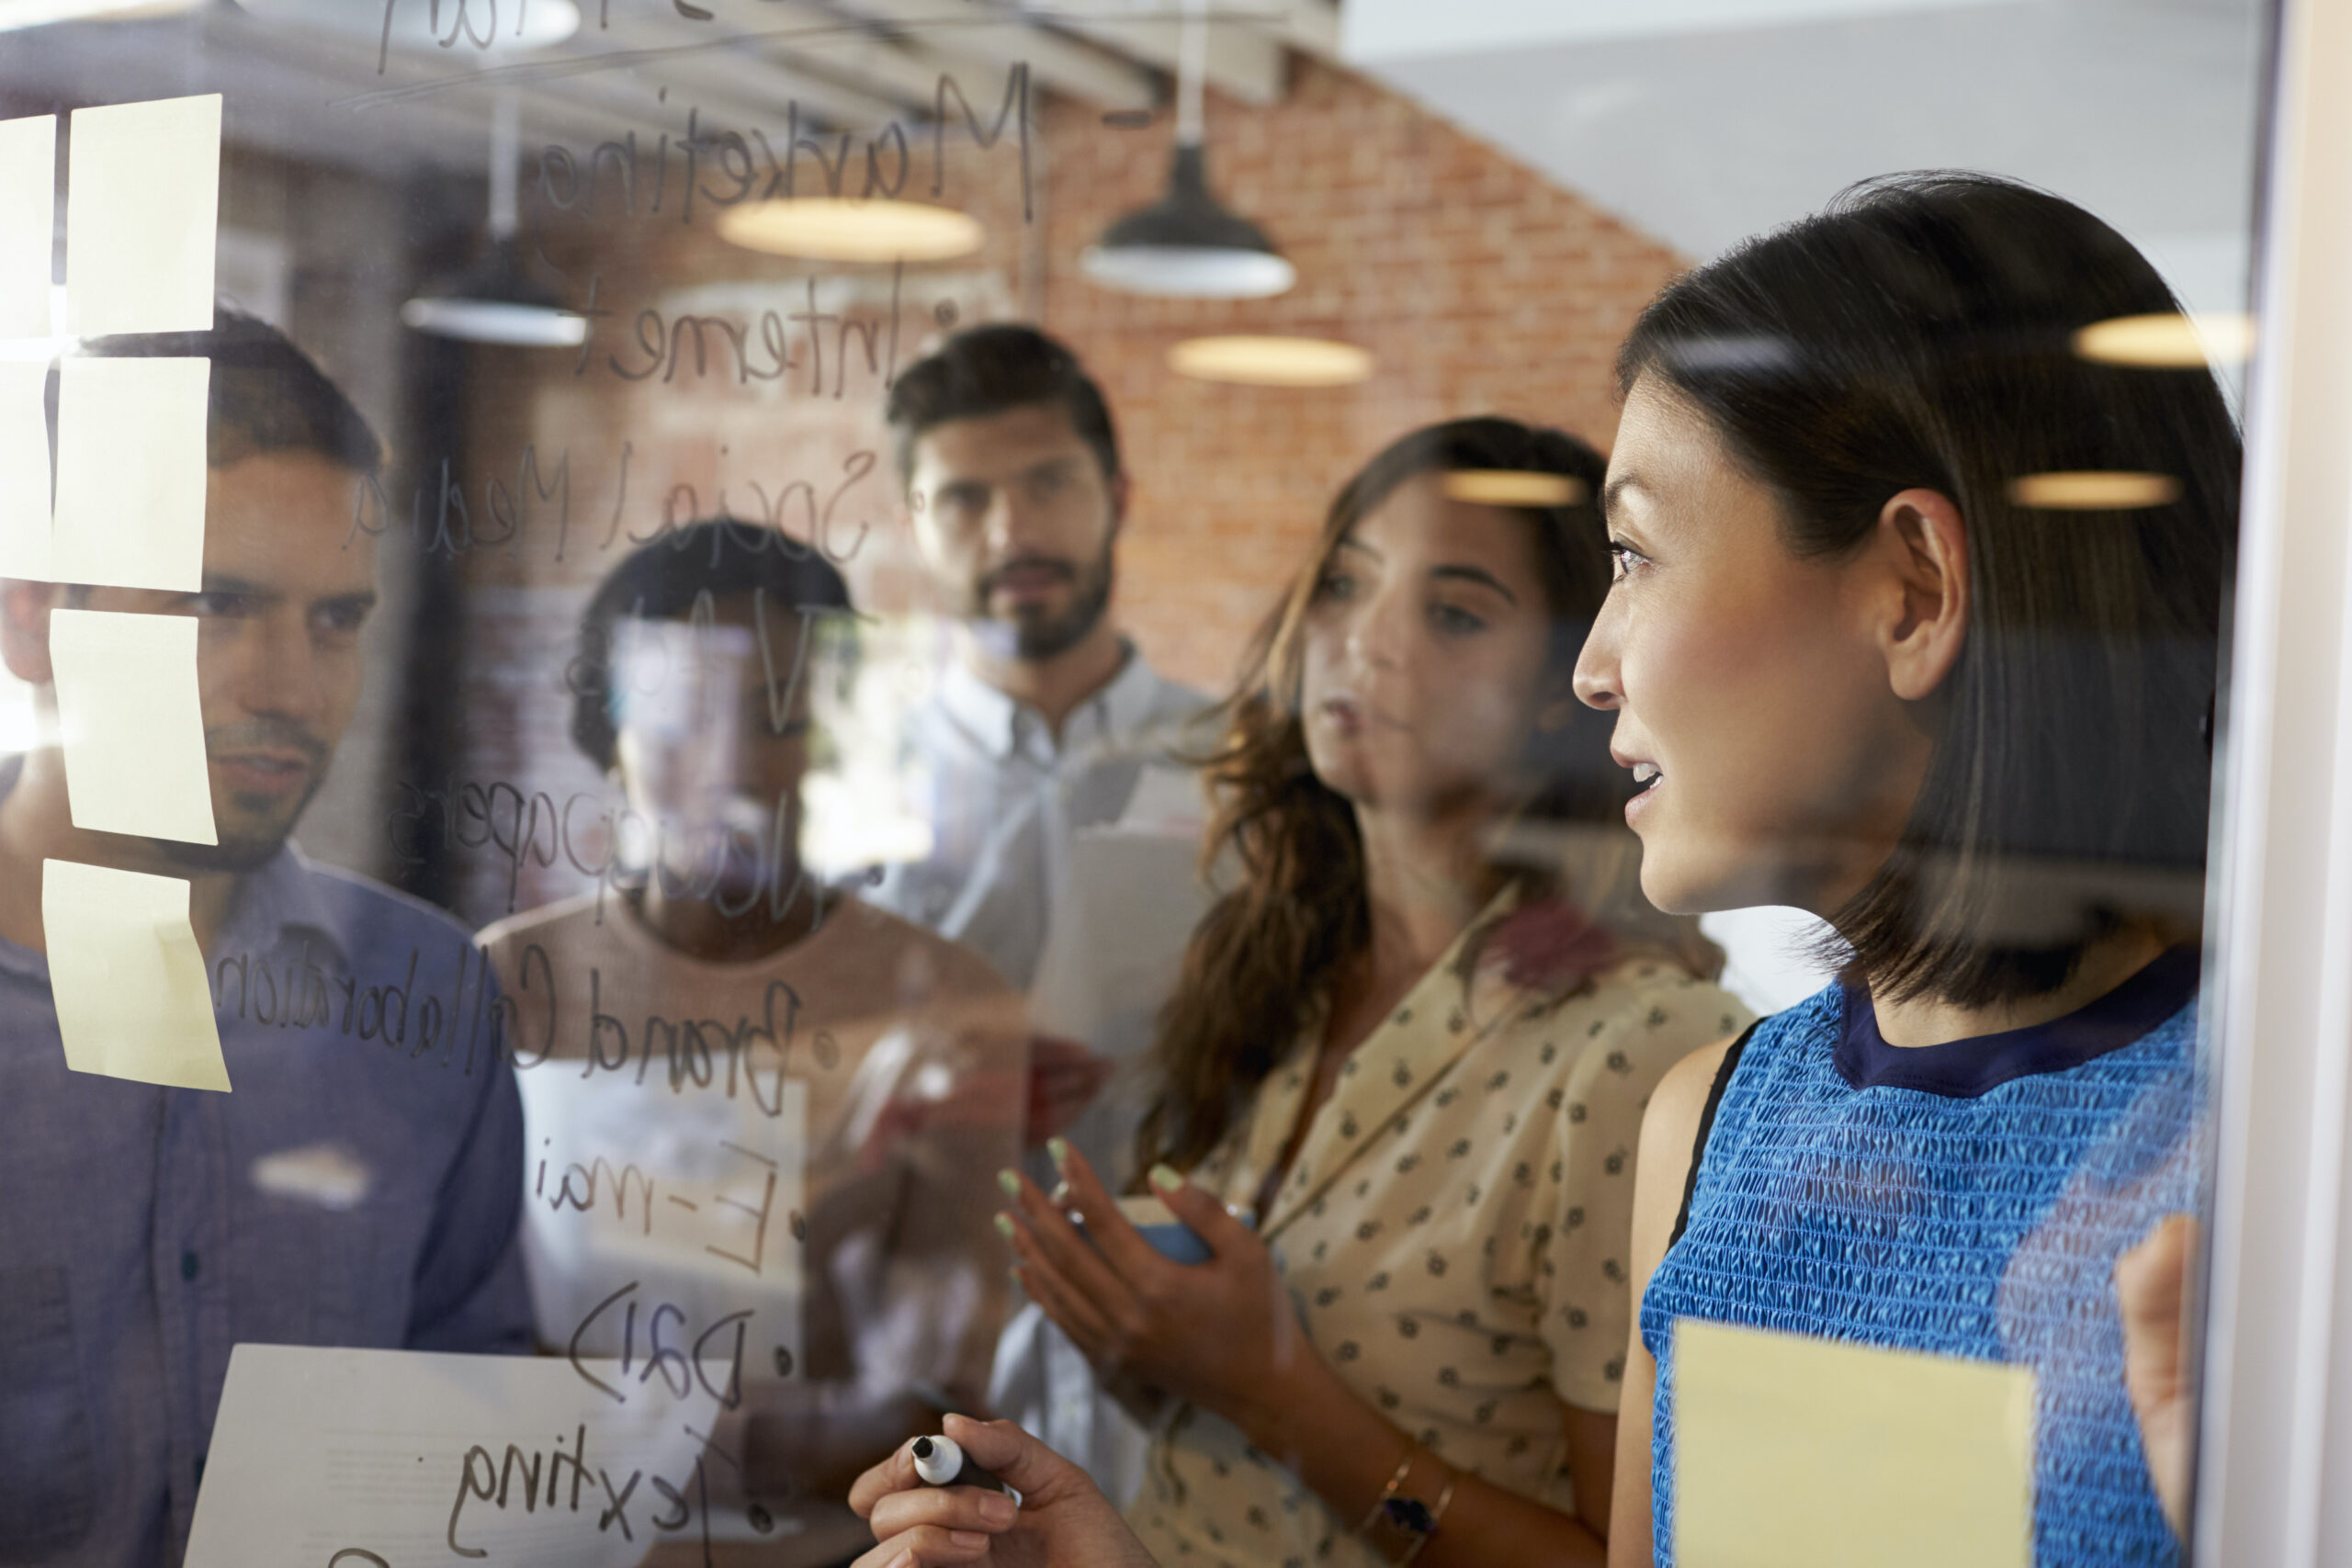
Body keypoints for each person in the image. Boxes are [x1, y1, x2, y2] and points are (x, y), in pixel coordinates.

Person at [1577, 174, 2231, 1566]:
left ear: (1915, 590)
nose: (1591, 664)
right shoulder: (1711, 1125)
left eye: (1636, 552)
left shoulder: (2277, 1148)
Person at [994, 417, 1752, 1568]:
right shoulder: (1277, 973)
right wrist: (1141, 1337)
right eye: (1345, 584)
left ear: (1571, 681)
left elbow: (1631, 1561)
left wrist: (1271, 1392)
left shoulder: (1641, 1049)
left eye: (1452, 612)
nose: (1365, 642)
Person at [0, 309, 532, 1566]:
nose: (292, 686)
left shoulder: (425, 994)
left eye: (337, 619)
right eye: (217, 603)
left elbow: (471, 1420)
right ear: (30, 618)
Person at [474, 521, 1025, 1559]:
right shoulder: (507, 983)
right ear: (608, 731)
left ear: (825, 733)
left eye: (774, 717)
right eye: (680, 718)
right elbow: (442, 1330)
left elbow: (936, 1407)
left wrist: (611, 1431)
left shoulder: (940, 1004)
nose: (729, 766)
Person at [874, 322, 1214, 1494]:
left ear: (1115, 495)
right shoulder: (852, 791)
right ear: (915, 522)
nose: (1011, 532)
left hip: (1201, 1366)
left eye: (1047, 485)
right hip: (918, 1356)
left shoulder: (1246, 769)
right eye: (962, 499)